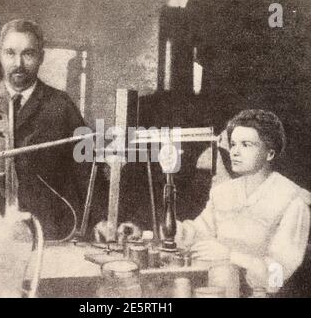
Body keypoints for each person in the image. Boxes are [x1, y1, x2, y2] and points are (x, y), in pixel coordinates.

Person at [95, 109, 311, 295]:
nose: (234, 151)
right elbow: (197, 232)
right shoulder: (224, 193)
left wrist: (231, 256)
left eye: (246, 144)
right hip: (217, 286)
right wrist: (144, 234)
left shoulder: (292, 200)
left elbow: (278, 275)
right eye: (233, 143)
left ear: (270, 153)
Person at [0, 19, 89, 241]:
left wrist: (100, 218)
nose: (18, 63)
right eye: (10, 53)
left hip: (47, 227)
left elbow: (87, 168)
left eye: (28, 54)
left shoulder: (61, 104)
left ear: (41, 57)